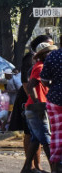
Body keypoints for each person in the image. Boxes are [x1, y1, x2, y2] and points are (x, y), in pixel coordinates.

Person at [24, 41, 55, 173]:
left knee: (36, 139)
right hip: (36, 107)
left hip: (34, 107)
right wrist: (38, 104)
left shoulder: (41, 66)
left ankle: (26, 168)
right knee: (47, 139)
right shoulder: (40, 67)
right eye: (49, 53)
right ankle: (55, 168)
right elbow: (31, 86)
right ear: (43, 55)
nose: (51, 55)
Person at [40, 41, 62, 173]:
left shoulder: (53, 56)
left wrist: (53, 87)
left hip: (54, 99)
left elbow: (44, 79)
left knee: (57, 134)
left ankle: (56, 167)